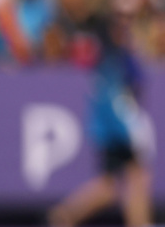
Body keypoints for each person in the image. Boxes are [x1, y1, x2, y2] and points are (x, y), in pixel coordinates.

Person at [48, 13, 151, 227]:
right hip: (118, 132)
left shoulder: (110, 59)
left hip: (111, 131)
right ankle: (64, 216)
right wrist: (130, 132)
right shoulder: (114, 62)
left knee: (114, 184)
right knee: (132, 180)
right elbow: (115, 100)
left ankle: (64, 216)